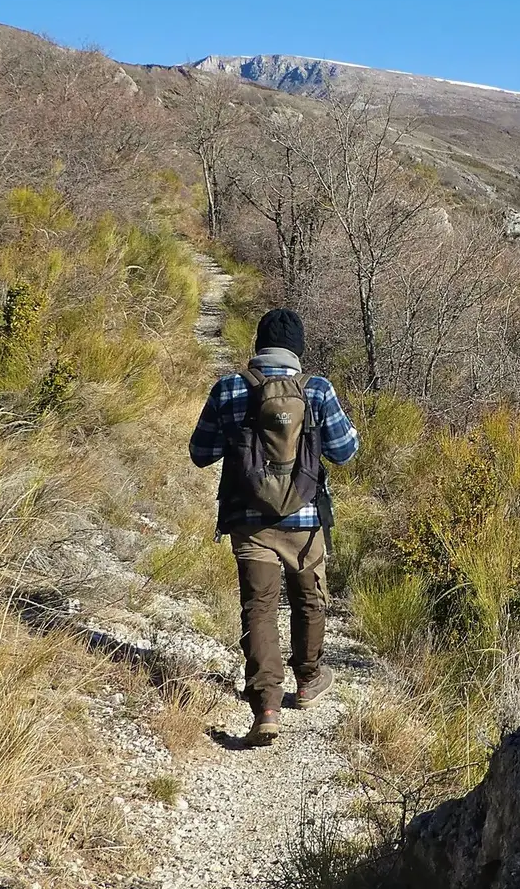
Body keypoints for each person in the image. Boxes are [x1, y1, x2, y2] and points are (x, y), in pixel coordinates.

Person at [189, 308, 358, 746]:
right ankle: (308, 680)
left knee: (259, 608)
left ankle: (266, 707)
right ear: (298, 349)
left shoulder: (230, 388)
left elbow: (201, 453)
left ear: (258, 345)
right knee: (308, 599)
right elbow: (344, 451)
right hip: (305, 520)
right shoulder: (317, 389)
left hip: (249, 520)